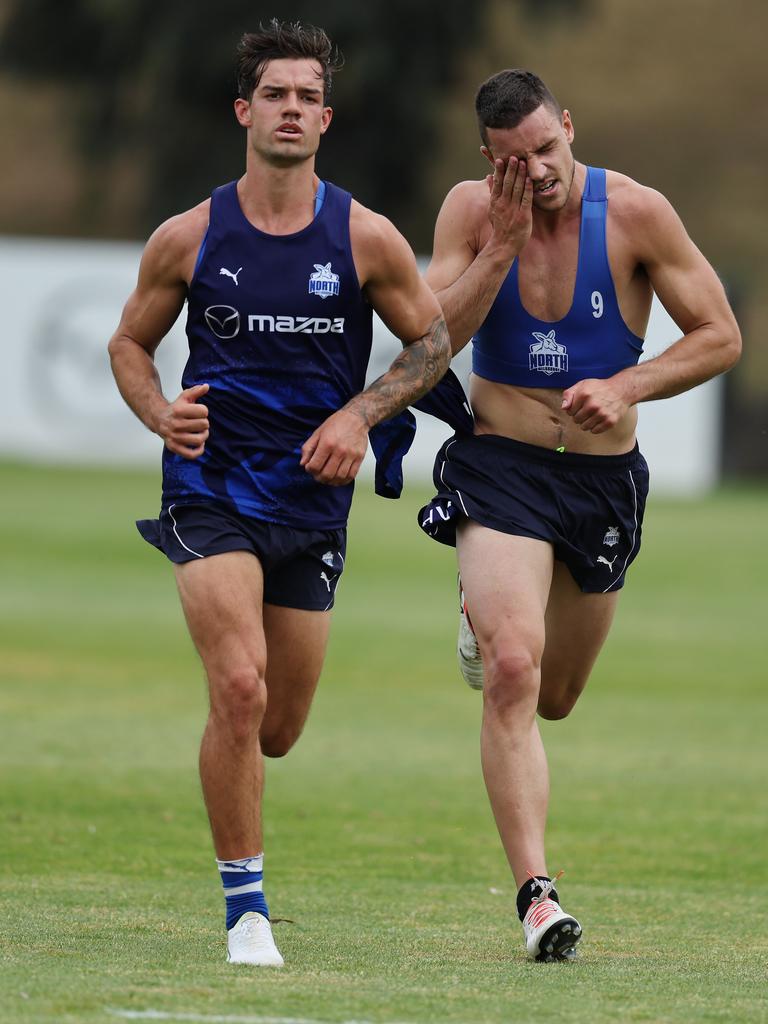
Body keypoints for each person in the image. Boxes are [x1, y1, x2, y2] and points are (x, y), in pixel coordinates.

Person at [108, 20, 452, 968]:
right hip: (210, 486)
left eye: (307, 96)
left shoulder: (364, 236)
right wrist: (156, 413)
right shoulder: (190, 235)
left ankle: (235, 772)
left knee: (279, 728)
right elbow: (128, 344)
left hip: (310, 500)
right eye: (275, 94)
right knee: (239, 682)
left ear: (326, 118)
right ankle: (246, 911)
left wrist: (358, 418)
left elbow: (430, 347)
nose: (290, 109)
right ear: (244, 110)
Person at [418, 69, 741, 962]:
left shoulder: (637, 213)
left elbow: (721, 335)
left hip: (600, 484)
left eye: (548, 150)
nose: (540, 171)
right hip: (501, 467)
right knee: (515, 668)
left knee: (555, 697)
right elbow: (427, 333)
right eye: (516, 162)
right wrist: (500, 245)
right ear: (490, 158)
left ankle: (493, 618)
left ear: (568, 126)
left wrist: (628, 384)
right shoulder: (469, 212)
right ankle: (536, 898)